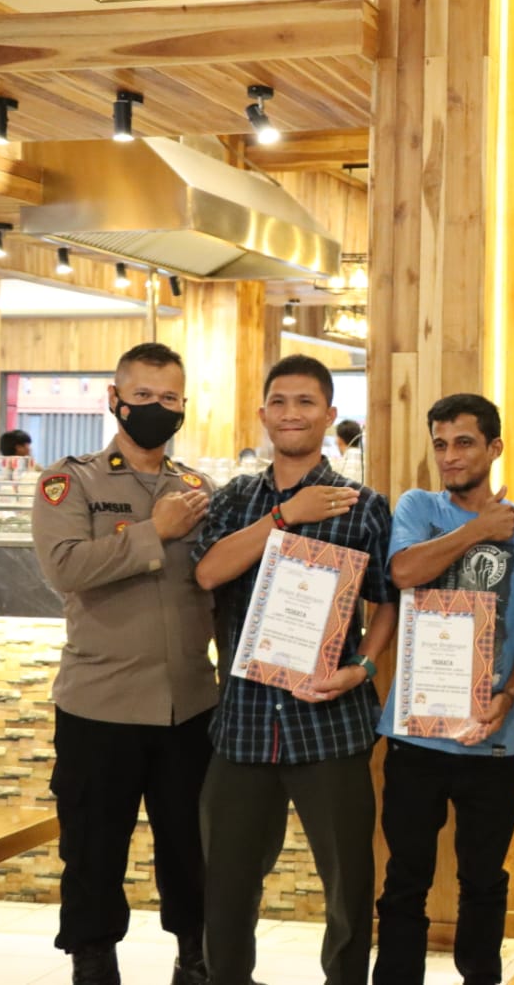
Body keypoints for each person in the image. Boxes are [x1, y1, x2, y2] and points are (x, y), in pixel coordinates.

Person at [192, 355, 397, 985]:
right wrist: (286, 517)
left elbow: (388, 601)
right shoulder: (235, 499)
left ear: (329, 414)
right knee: (227, 887)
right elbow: (208, 572)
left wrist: (363, 667)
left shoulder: (363, 505)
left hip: (330, 721)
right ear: (263, 413)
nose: (291, 414)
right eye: (279, 402)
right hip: (244, 725)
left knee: (348, 887)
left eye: (306, 402)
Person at [30, 343, 214, 985]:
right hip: (99, 705)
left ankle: (195, 958)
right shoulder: (70, 481)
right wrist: (154, 531)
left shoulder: (198, 489)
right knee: (93, 851)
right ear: (115, 399)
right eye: (142, 396)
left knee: (191, 850)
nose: (156, 408)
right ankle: (93, 962)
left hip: (189, 704)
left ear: (183, 406)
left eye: (169, 398)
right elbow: (65, 568)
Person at [373, 394, 514, 985]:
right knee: (405, 877)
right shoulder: (418, 506)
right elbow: (404, 572)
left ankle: (481, 976)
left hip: (492, 738)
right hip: (415, 735)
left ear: (494, 447)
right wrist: (479, 530)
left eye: (463, 443)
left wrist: (509, 696)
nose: (450, 456)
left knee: (484, 880)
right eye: (440, 444)